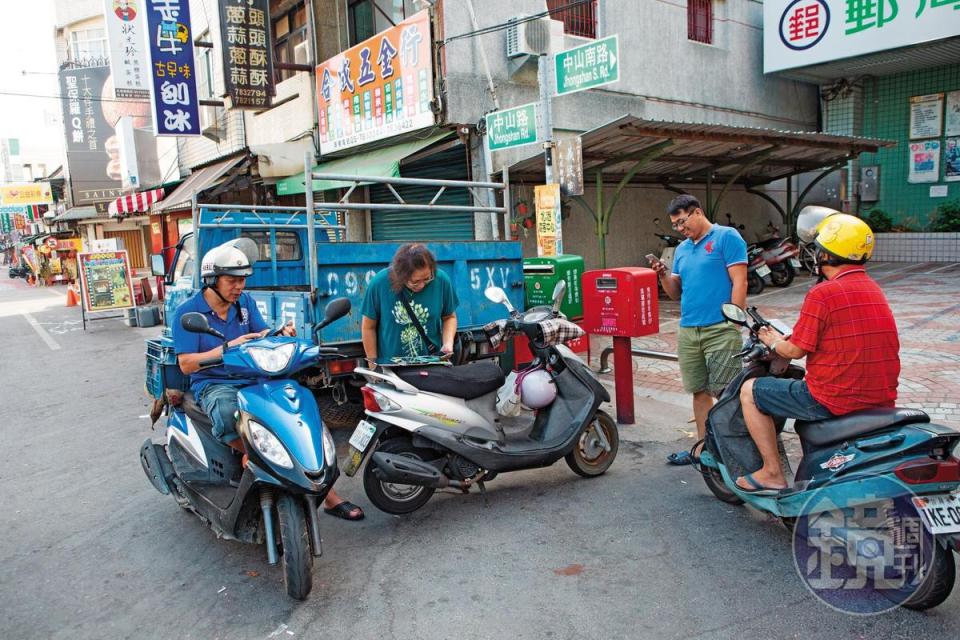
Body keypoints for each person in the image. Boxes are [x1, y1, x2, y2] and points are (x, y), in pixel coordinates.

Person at [173, 238, 364, 521]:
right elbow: (187, 364)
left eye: (242, 281)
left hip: (253, 375)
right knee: (227, 413)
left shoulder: (246, 303)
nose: (239, 287)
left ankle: (327, 495)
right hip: (215, 382)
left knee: (294, 412)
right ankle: (251, 455)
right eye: (231, 281)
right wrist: (228, 347)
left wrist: (277, 334)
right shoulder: (188, 313)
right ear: (211, 279)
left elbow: (260, 335)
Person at [735, 213, 900, 493]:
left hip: (834, 399)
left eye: (819, 250)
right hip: (880, 398)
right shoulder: (873, 289)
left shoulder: (823, 293)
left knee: (750, 391)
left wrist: (771, 340)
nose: (816, 255)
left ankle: (772, 473)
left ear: (828, 255)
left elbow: (795, 350)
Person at [649, 195, 748, 465]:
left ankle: (733, 451)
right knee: (699, 391)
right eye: (675, 225)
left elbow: (740, 281)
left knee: (726, 392)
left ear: (697, 212)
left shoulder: (727, 237)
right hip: (689, 329)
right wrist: (662, 275)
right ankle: (704, 450)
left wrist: (734, 321)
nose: (680, 229)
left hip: (720, 328)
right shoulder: (682, 249)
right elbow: (675, 293)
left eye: (682, 222)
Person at [361, 243, 458, 366]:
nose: (422, 285)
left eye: (427, 279)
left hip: (432, 364)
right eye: (415, 282)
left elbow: (449, 317)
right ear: (401, 276)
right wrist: (373, 366)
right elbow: (368, 327)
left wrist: (448, 343)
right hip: (392, 368)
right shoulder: (379, 283)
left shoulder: (441, 280)